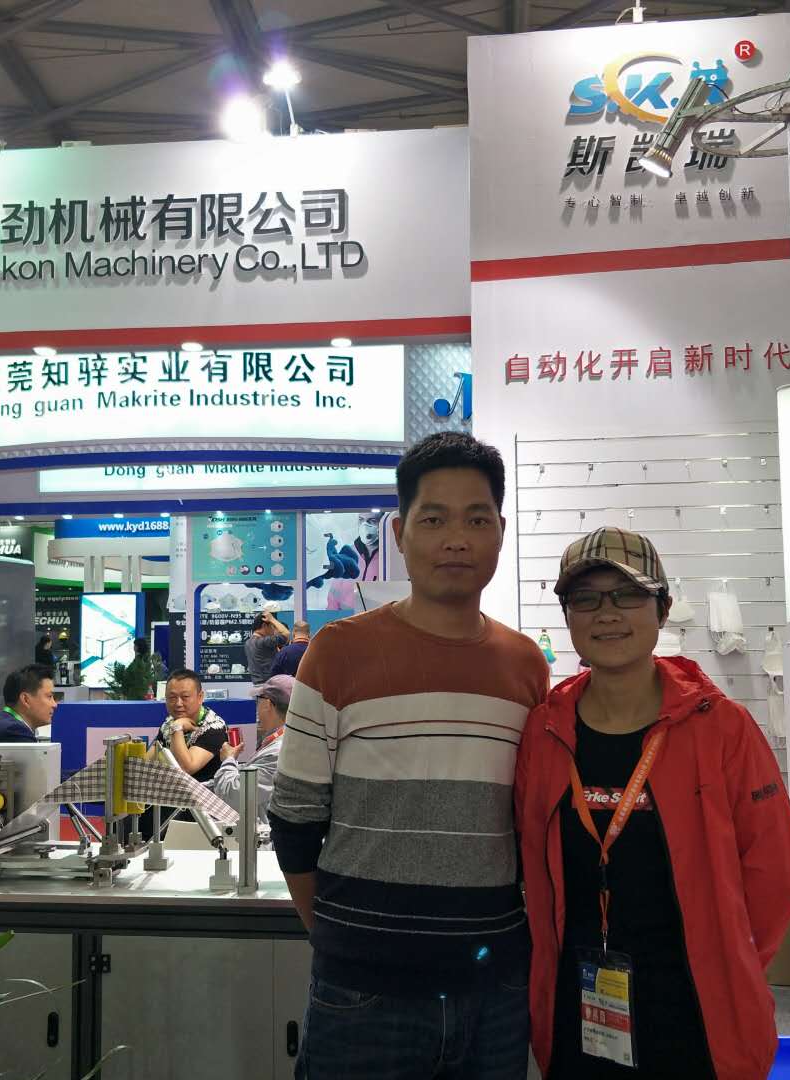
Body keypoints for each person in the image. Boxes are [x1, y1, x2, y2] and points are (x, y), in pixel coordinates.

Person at [269, 432, 549, 1079]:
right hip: (363, 997)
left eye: (476, 519)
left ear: (500, 533)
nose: (457, 539)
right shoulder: (338, 651)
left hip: (494, 990)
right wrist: (346, 940)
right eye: (434, 519)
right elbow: (295, 819)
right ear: (399, 533)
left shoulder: (526, 665)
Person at [515, 529, 790, 1079]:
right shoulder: (544, 730)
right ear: (568, 615)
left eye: (628, 595)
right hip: (579, 1008)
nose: (607, 614)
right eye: (585, 598)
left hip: (695, 1013)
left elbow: (777, 871)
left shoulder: (721, 728)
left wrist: (727, 962)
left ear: (663, 609)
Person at [211, 674, 291, 824]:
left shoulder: (278, 752)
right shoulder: (281, 741)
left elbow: (235, 796)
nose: (257, 708)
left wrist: (228, 760)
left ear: (268, 704)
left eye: (258, 701)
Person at [155, 669, 228, 785]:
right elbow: (148, 761)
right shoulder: (169, 722)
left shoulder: (214, 727)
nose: (178, 703)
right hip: (172, 792)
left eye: (185, 697)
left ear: (200, 697)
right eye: (172, 697)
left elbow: (184, 769)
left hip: (204, 794)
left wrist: (177, 727)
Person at [244, 611, 289, 685]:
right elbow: (286, 634)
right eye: (272, 626)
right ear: (264, 625)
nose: (274, 630)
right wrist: (272, 619)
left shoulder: (248, 642)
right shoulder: (264, 641)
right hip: (270, 684)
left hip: (257, 684)